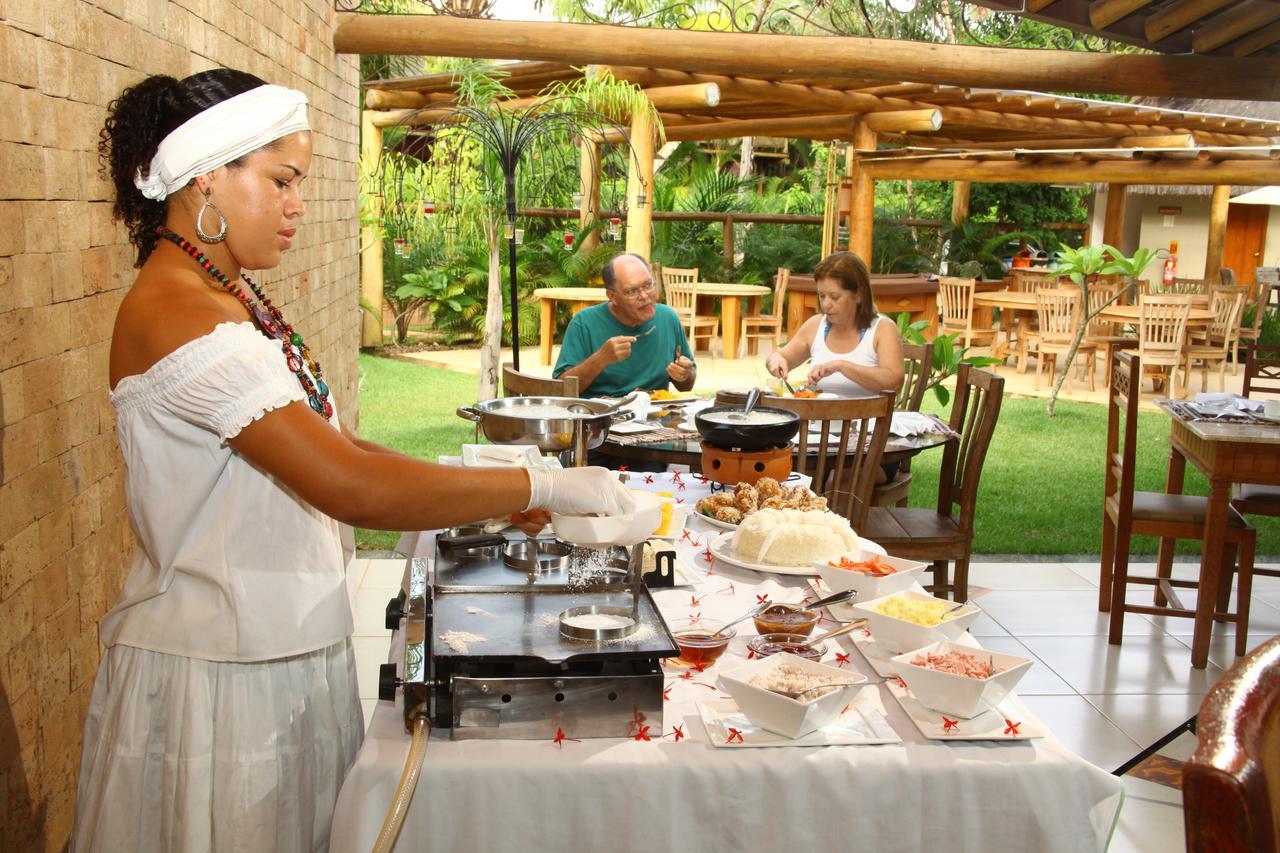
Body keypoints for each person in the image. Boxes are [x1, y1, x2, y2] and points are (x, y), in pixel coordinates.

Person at [74, 68, 633, 853]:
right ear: (208, 173)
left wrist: (492, 494)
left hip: (276, 647)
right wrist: (545, 478)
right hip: (220, 676)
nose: (298, 204)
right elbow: (348, 485)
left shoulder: (223, 293)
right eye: (281, 180)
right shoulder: (178, 312)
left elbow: (334, 445)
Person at [765, 251, 904, 483]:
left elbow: (893, 380)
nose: (826, 304)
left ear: (858, 294)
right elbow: (780, 356)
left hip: (870, 451)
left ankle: (840, 519)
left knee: (834, 478)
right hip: (817, 442)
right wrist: (776, 361)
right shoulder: (816, 326)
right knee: (777, 470)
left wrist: (840, 366)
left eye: (835, 296)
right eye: (821, 296)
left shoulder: (882, 329)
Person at [553, 252, 696, 398]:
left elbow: (687, 385)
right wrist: (600, 359)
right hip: (601, 415)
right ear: (612, 297)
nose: (644, 296)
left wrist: (685, 374)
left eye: (648, 285)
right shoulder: (584, 323)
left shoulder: (668, 318)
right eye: (631, 291)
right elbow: (561, 390)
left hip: (654, 415)